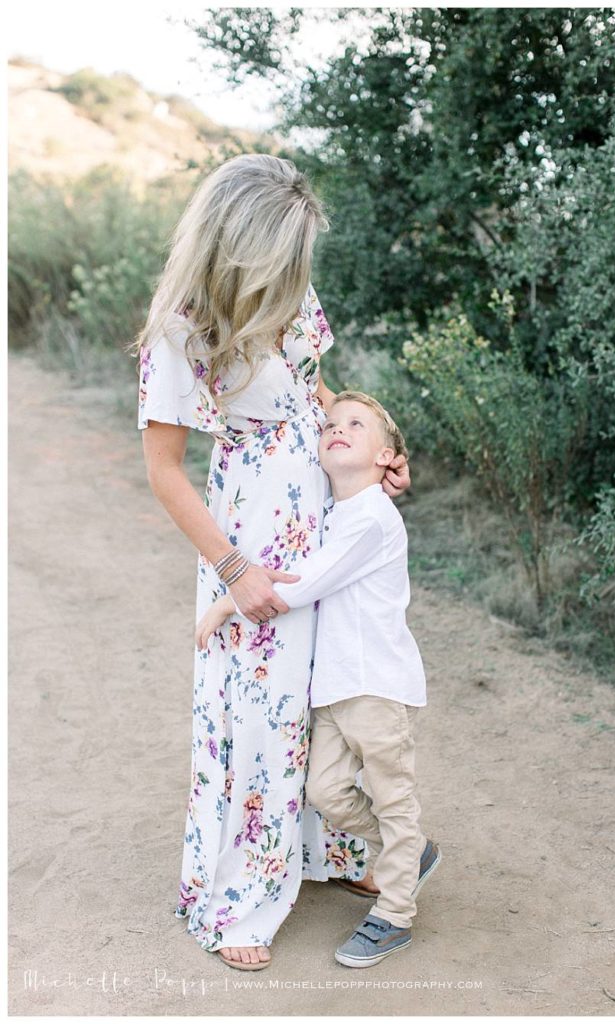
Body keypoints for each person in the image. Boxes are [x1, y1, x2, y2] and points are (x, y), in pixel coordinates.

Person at [135, 154, 411, 970]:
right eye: (284, 250)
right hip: (249, 528)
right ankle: (243, 890)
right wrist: (233, 571)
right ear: (240, 246)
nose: (297, 269)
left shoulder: (291, 290)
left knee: (324, 692)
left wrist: (368, 453)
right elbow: (162, 470)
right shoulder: (180, 329)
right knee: (258, 711)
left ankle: (332, 852)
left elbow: (316, 387)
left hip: (324, 505)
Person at [196, 391, 441, 969]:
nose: (337, 428)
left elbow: (304, 584)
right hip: (332, 689)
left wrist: (228, 605)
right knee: (325, 791)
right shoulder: (333, 514)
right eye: (330, 422)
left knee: (393, 797)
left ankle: (395, 912)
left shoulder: (373, 518)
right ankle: (410, 852)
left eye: (356, 424)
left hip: (377, 686)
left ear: (386, 457)